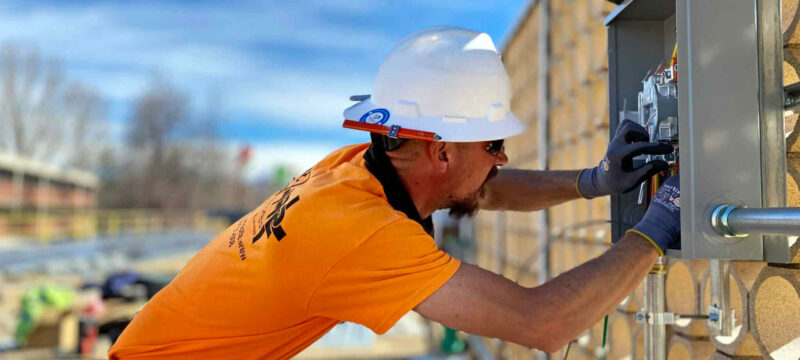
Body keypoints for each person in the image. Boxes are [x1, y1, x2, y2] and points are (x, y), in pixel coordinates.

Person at [108, 26, 681, 359]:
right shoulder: (363, 234)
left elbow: (481, 190)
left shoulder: (356, 169)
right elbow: (541, 323)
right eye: (494, 143)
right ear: (440, 151)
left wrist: (593, 183)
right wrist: (656, 228)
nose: (503, 157)